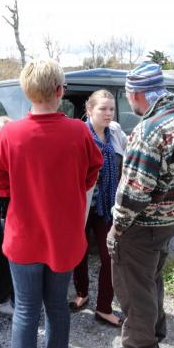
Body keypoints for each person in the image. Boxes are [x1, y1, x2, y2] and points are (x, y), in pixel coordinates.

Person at [0, 60, 103, 348]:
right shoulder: (78, 130)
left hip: (23, 238)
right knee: (56, 307)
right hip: (63, 238)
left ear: (27, 92)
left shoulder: (10, 133)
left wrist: (21, 191)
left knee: (26, 309)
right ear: (58, 90)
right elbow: (93, 170)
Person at [106, 62, 174, 348]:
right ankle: (153, 334)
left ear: (137, 94)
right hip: (171, 219)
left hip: (142, 226)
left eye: (128, 96)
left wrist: (117, 228)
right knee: (151, 280)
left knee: (134, 289)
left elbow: (134, 194)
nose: (128, 102)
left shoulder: (149, 131)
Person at [69, 90, 127, 327]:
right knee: (78, 254)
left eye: (111, 109)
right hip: (82, 205)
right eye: (103, 108)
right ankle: (82, 293)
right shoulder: (79, 134)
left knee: (109, 256)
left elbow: (128, 157)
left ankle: (104, 307)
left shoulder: (115, 132)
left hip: (108, 206)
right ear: (89, 109)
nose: (108, 113)